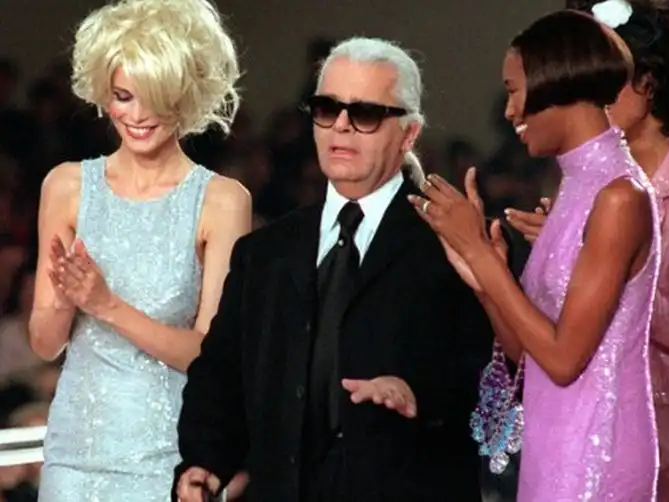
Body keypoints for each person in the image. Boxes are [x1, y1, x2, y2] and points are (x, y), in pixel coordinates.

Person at [173, 37, 506, 502]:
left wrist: (419, 394)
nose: (342, 127)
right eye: (327, 109)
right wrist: (204, 463)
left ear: (409, 134)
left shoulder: (451, 243)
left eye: (365, 114)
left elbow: (497, 376)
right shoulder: (265, 253)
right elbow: (221, 376)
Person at [410, 10, 661, 500]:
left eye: (514, 90)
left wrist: (480, 253)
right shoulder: (576, 185)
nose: (509, 111)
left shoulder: (620, 197)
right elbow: (529, 355)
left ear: (555, 82)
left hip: (598, 449)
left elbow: (565, 360)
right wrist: (484, 279)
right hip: (553, 442)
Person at [28, 0, 251, 500]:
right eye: (124, 97)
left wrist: (105, 304)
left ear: (184, 96)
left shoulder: (221, 201)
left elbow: (210, 356)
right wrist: (67, 295)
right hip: (73, 457)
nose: (138, 115)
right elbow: (44, 344)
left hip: (168, 458)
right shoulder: (66, 186)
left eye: (156, 98)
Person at [507, 2, 669, 500]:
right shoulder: (588, 176)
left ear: (647, 83)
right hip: (586, 413)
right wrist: (583, 257)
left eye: (609, 73)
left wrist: (611, 265)